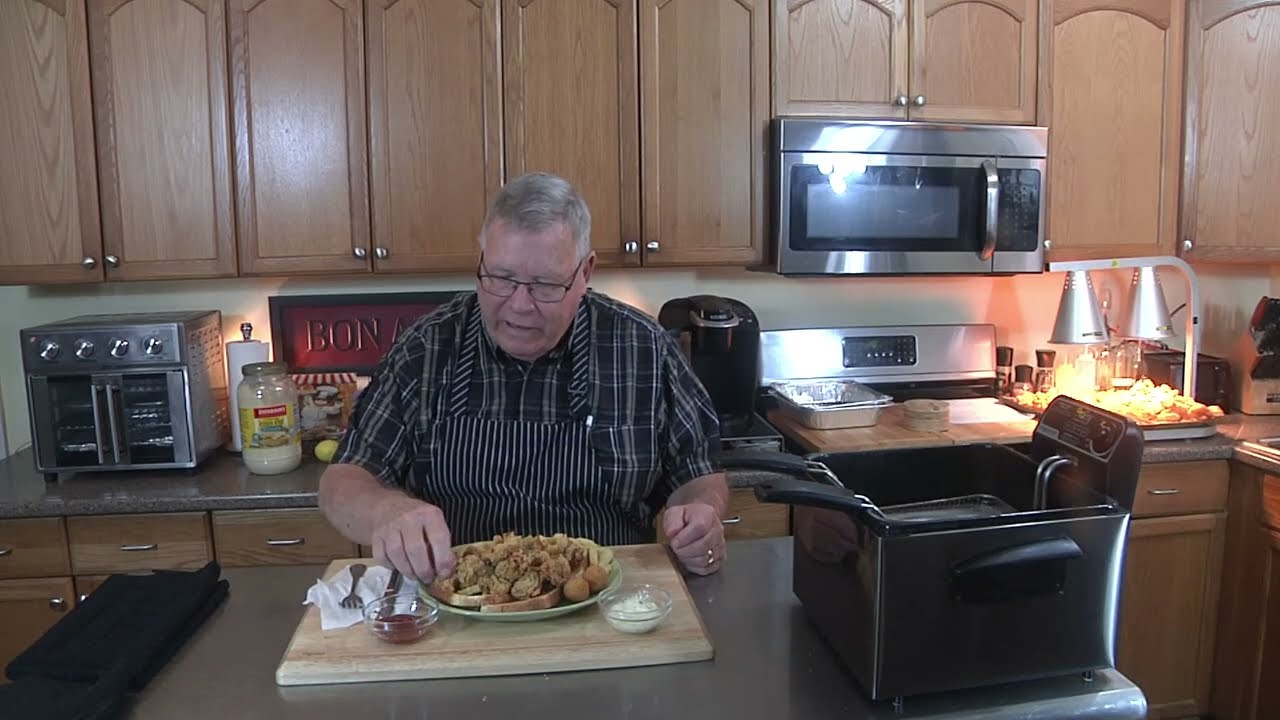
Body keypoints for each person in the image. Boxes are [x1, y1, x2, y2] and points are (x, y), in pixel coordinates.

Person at [319, 172, 730, 583]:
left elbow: (697, 473)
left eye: (545, 284)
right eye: (501, 278)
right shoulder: (427, 348)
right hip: (459, 602)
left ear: (585, 272)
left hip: (610, 602)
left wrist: (699, 516)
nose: (519, 305)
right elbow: (344, 479)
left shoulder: (644, 349)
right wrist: (385, 511)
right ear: (481, 261)